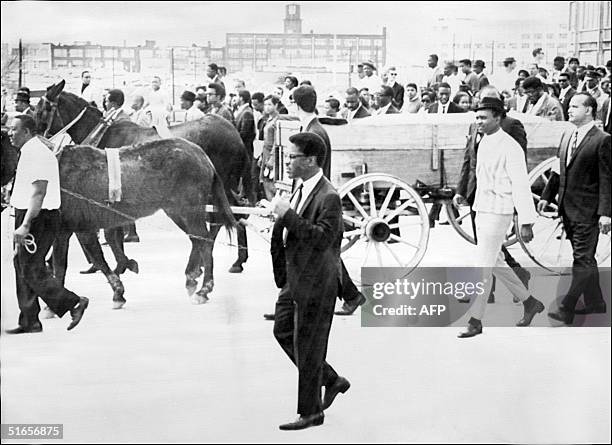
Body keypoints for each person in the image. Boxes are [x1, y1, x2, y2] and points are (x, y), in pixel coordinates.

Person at [270, 132, 349, 430]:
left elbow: (322, 239)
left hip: (317, 281)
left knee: (310, 345)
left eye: (292, 157)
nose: (288, 161)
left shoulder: (329, 196)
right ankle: (331, 380)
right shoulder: (301, 188)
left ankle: (311, 412)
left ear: (311, 160)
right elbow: (296, 228)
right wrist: (278, 218)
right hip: (296, 278)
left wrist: (287, 216)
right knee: (283, 330)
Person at [457, 97, 544, 338]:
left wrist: (526, 221)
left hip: (500, 211)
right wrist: (464, 196)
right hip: (482, 208)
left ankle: (475, 320)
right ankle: (530, 302)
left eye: (484, 118)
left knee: (483, 264)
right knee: (495, 262)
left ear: (498, 117)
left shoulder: (510, 146)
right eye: (477, 118)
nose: (479, 122)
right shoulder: (484, 140)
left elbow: (521, 185)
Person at [6, 115, 89, 334]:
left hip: (39, 217)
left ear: (27, 132)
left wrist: (25, 224)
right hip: (30, 213)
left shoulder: (38, 154)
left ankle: (73, 303)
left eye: (14, 130)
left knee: (32, 267)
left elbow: (39, 192)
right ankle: (30, 320)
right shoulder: (28, 151)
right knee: (21, 263)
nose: (9, 133)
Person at [454, 85, 531, 303]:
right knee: (487, 247)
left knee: (488, 249)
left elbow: (518, 165)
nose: (482, 107)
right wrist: (461, 190)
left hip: (499, 197)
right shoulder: (475, 124)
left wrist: (521, 211)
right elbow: (468, 159)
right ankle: (519, 281)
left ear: (498, 111)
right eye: (480, 102)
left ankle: (484, 292)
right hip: (477, 193)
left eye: (488, 103)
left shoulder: (511, 127)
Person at [540, 93, 611, 325]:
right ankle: (595, 302)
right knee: (585, 258)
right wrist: (547, 196)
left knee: (581, 259)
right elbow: (559, 168)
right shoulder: (568, 134)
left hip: (588, 211)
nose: (568, 110)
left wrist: (606, 213)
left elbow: (607, 179)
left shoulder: (603, 140)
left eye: (574, 106)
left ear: (589, 110)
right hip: (567, 209)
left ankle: (567, 306)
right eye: (569, 106)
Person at [259, 95, 280, 200]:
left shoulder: (277, 120)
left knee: (271, 181)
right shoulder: (268, 119)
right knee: (265, 181)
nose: (266, 107)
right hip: (265, 152)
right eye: (265, 104)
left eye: (270, 104)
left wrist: (272, 158)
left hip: (272, 154)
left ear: (276, 105)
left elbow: (277, 141)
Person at [234, 89, 256, 162]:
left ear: (241, 98)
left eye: (236, 96)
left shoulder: (247, 112)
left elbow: (244, 133)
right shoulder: (242, 111)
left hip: (244, 150)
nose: (235, 99)